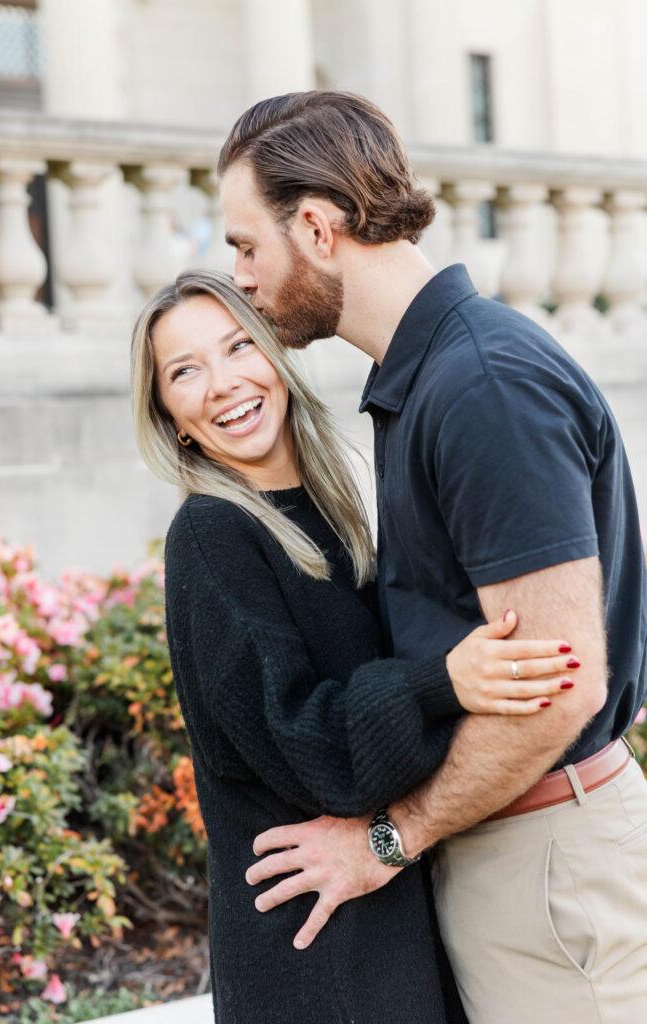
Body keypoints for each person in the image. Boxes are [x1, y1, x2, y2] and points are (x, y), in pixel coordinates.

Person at [216, 91, 647, 1023]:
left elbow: (560, 683)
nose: (240, 277)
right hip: (513, 853)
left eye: (246, 246)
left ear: (319, 228)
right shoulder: (429, 375)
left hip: (546, 870)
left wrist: (386, 839)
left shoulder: (480, 386)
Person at [130, 269, 577, 1024]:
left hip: (373, 913)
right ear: (171, 416)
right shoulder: (212, 536)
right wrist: (444, 683)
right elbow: (309, 747)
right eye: (185, 370)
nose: (222, 383)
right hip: (313, 948)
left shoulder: (324, 514)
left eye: (239, 346)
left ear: (274, 355)